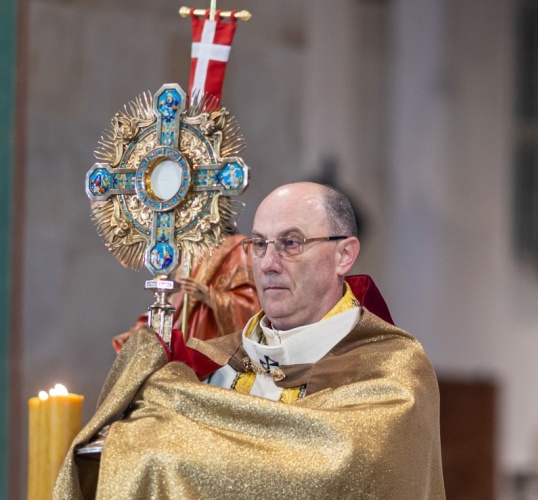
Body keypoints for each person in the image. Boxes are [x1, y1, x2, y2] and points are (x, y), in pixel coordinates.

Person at [55, 183, 445, 499]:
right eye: (259, 244)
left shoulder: (392, 371)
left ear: (344, 255)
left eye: (291, 243)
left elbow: (346, 466)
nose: (268, 263)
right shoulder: (211, 365)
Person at [111, 230, 260, 351]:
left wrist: (210, 297)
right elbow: (177, 302)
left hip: (212, 344)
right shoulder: (185, 250)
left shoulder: (236, 247)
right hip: (182, 338)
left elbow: (250, 307)